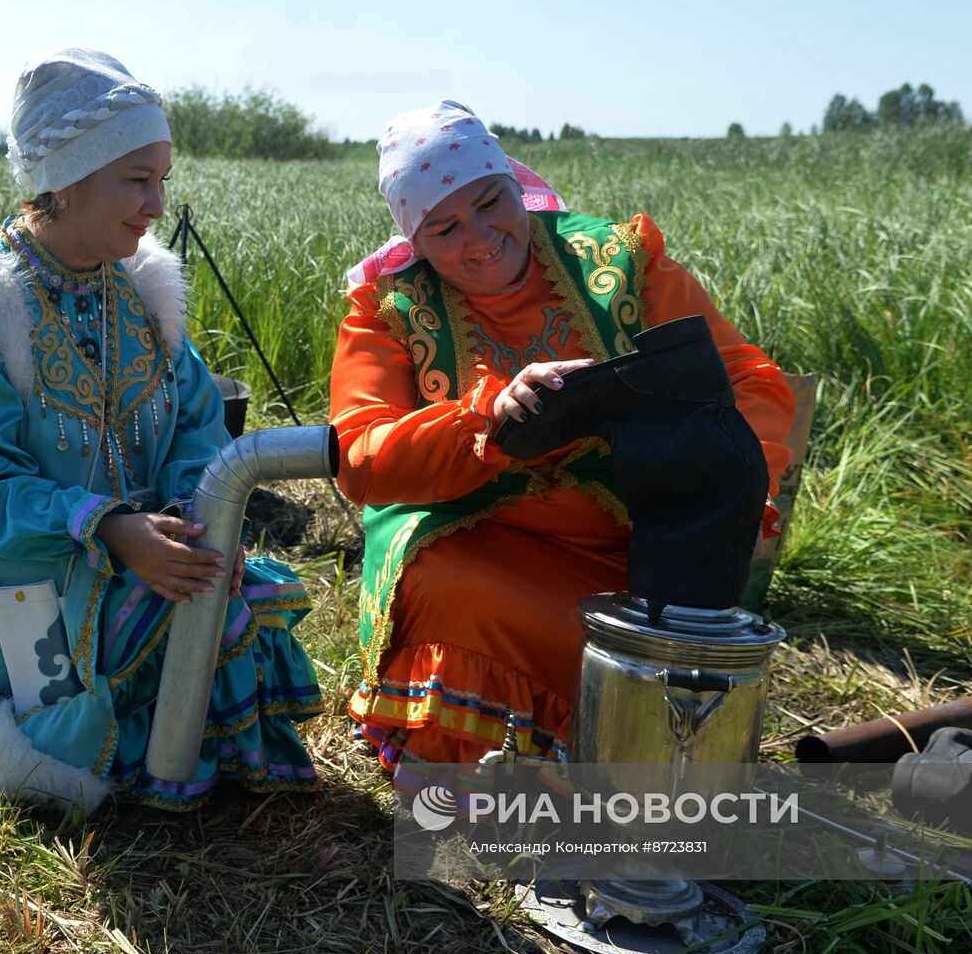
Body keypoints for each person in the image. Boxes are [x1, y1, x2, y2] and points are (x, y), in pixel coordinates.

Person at [0, 48, 322, 814]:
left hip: (134, 541)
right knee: (163, 620)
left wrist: (193, 511)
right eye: (136, 180)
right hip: (2, 569)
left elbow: (194, 421)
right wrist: (110, 529)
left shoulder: (143, 291)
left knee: (225, 591)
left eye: (162, 180)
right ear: (66, 178)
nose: (156, 204)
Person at [331, 100, 795, 781]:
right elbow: (361, 457)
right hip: (480, 539)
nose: (481, 238)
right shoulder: (388, 312)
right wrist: (482, 415)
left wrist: (741, 493)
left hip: (634, 545)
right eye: (445, 228)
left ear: (517, 185)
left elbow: (748, 383)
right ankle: (486, 772)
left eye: (491, 203)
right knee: (446, 586)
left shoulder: (620, 265)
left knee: (662, 633)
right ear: (415, 239)